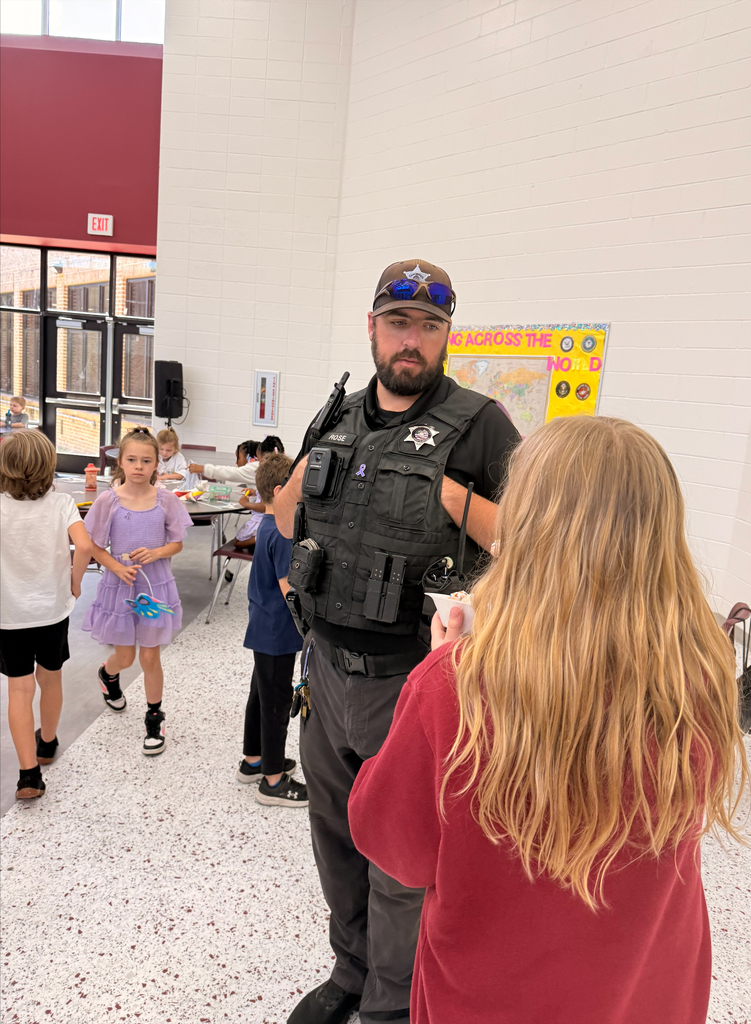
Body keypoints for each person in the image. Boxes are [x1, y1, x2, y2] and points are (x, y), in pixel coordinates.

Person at [347, 416, 749, 1024]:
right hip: (647, 991)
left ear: (527, 529)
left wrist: (436, 665)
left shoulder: (455, 685)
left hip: (488, 1000)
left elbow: (393, 845)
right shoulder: (703, 680)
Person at [273, 260, 521, 1024]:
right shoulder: (338, 414)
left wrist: (456, 500)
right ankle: (349, 971)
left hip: (416, 681)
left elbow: (528, 543)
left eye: (429, 327)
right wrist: (301, 477)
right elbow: (286, 524)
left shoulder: (482, 424)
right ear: (373, 328)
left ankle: (387, 1004)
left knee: (401, 859)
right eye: (398, 323)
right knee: (335, 838)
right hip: (325, 672)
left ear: (447, 335)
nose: (411, 342)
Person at [82, 428, 192, 755]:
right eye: (132, 459)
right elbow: (95, 546)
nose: (139, 466)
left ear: (158, 463)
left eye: (146, 460)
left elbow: (177, 543)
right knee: (127, 656)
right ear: (121, 461)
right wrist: (115, 566)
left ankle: (153, 719)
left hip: (155, 587)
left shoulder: (166, 500)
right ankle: (108, 672)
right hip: (120, 586)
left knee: (149, 655)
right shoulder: (108, 501)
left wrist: (157, 552)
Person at [0, 431, 92, 799]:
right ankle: (48, 742)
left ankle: (29, 775)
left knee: (19, 689)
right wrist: (75, 580)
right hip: (52, 610)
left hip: (9, 614)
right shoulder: (62, 503)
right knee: (50, 678)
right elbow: (83, 545)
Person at [236, 451, 307, 806]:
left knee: (260, 696)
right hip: (279, 633)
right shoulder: (282, 533)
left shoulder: (265, 524)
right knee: (277, 703)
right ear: (281, 491)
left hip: (262, 627)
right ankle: (274, 781)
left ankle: (254, 760)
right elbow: (289, 590)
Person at [233, 436, 284, 551]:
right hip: (275, 520)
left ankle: (261, 537)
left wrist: (246, 504)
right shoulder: (280, 472)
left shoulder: (267, 475)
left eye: (258, 459)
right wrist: (256, 492)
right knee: (238, 541)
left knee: (238, 543)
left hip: (265, 519)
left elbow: (265, 506)